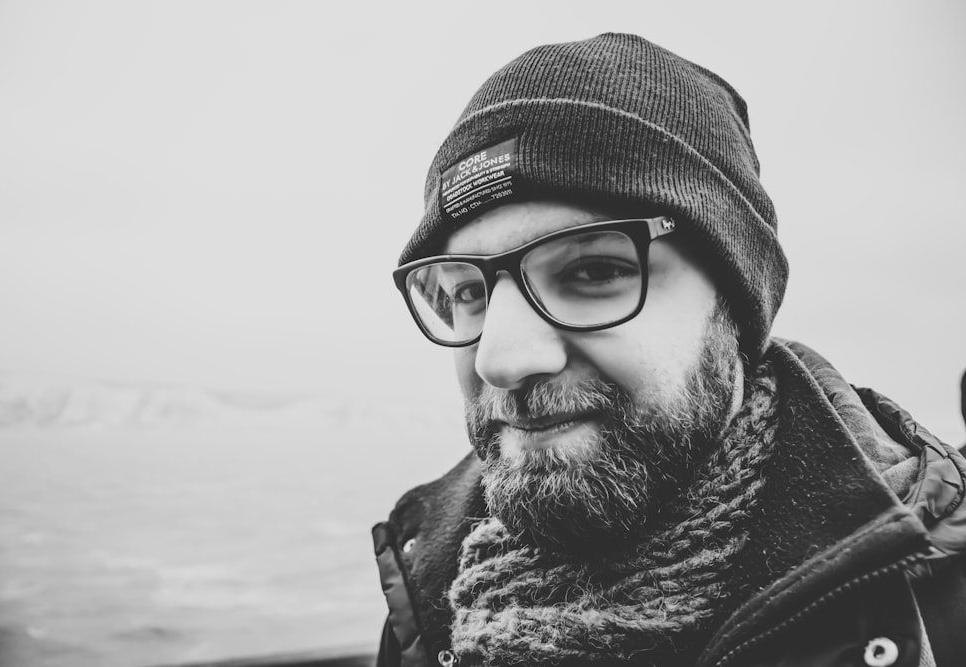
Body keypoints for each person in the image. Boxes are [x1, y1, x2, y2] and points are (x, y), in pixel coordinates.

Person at [372, 33, 966, 667]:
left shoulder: (936, 592)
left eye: (594, 271)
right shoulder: (432, 594)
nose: (501, 359)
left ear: (734, 311)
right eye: (468, 292)